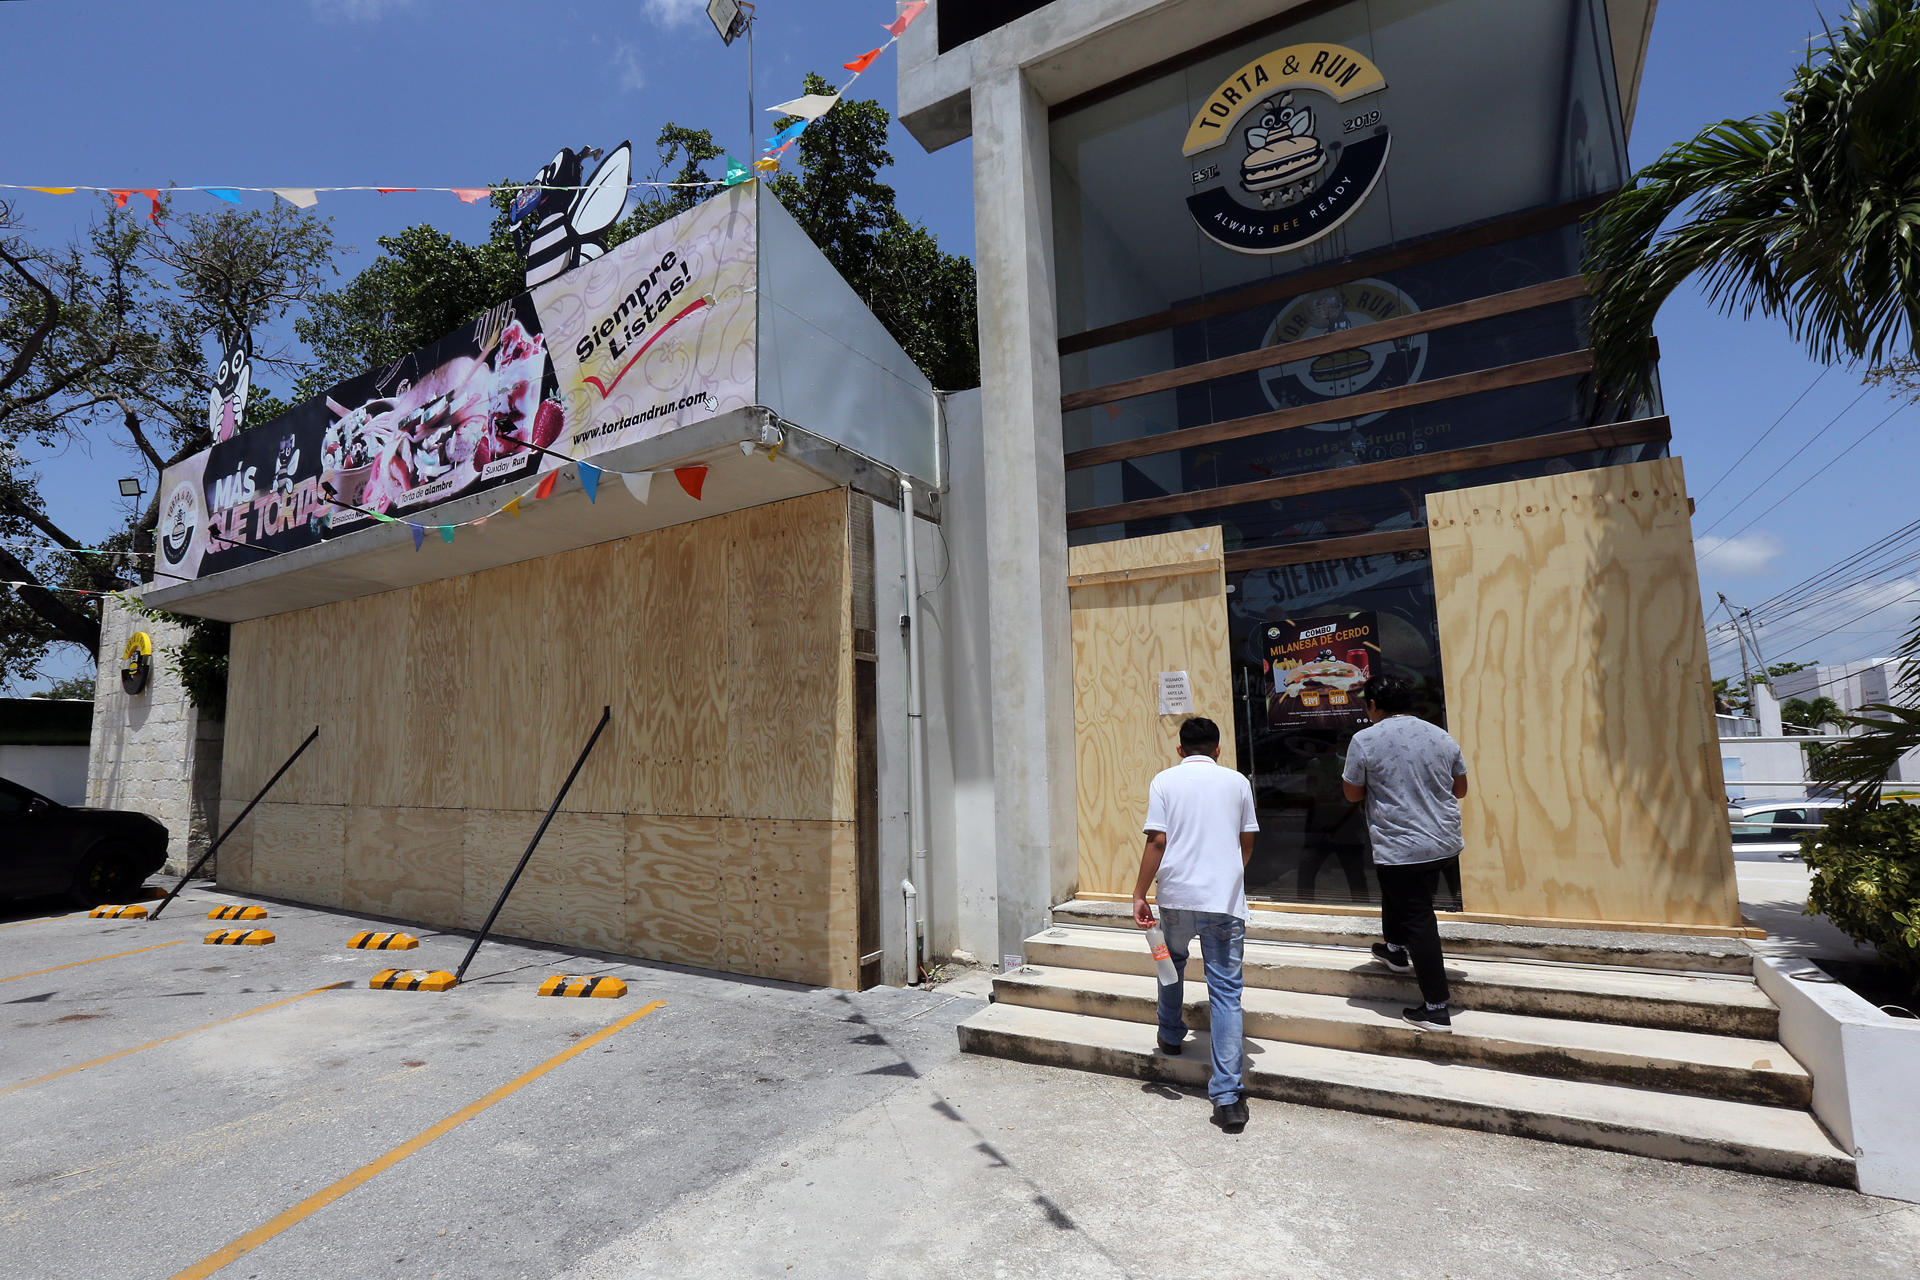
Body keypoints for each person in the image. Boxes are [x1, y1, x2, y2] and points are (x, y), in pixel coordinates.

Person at [1131, 716, 1259, 1133]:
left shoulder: (1164, 781)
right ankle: (1227, 1099)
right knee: (1225, 992)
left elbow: (1157, 840)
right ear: (1218, 749)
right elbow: (1248, 839)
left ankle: (1170, 1033)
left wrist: (1139, 893)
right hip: (1223, 901)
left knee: (1171, 964)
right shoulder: (1237, 782)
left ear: (1180, 749)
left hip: (1177, 899)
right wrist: (1229, 875)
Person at [1340, 674, 1468, 1032]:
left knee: (1419, 918)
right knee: (1401, 893)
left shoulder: (1364, 739)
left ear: (1372, 706)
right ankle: (1394, 949)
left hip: (1401, 846)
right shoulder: (1440, 735)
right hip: (1443, 843)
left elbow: (1351, 793)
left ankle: (1436, 1007)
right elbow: (1461, 789)